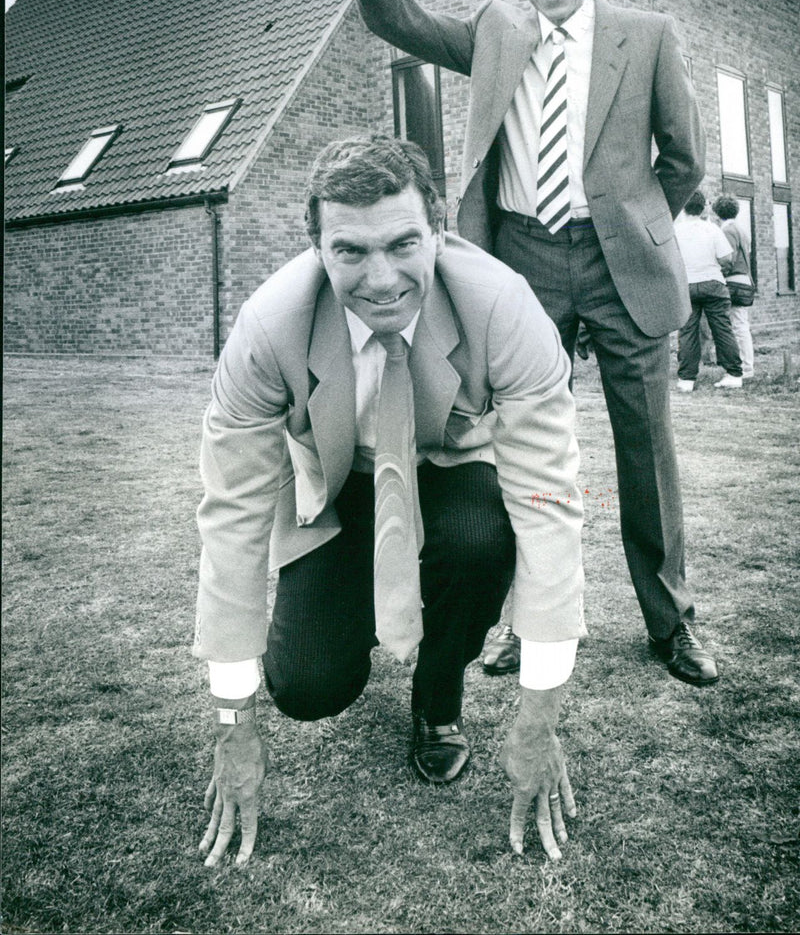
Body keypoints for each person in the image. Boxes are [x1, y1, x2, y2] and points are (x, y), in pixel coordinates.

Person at [334, 0, 718, 688]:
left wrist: (642, 225)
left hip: (624, 269)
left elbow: (684, 157)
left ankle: (672, 623)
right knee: (515, 449)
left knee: (644, 448)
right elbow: (400, 19)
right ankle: (513, 621)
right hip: (524, 264)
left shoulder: (647, 34)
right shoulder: (497, 32)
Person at [194, 134, 587, 868]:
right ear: (317, 246)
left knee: (481, 541)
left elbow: (548, 500)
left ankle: (436, 700)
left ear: (437, 229)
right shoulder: (266, 327)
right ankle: (364, 614)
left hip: (449, 469)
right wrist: (233, 725)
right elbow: (232, 517)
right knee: (306, 687)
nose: (380, 279)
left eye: (404, 243)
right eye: (350, 251)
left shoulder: (502, 305)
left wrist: (540, 717)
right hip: (340, 487)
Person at [674, 191, 743, 390]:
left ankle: (686, 379)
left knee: (687, 331)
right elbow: (727, 259)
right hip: (713, 283)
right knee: (722, 328)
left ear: (683, 206)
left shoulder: (675, 230)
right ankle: (734, 374)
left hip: (686, 284)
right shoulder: (712, 229)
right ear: (704, 207)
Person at [712, 195, 755, 379]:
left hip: (733, 281)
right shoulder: (741, 230)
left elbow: (727, 258)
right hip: (744, 279)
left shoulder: (727, 230)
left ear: (717, 212)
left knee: (737, 326)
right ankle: (745, 365)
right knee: (741, 324)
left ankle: (745, 367)